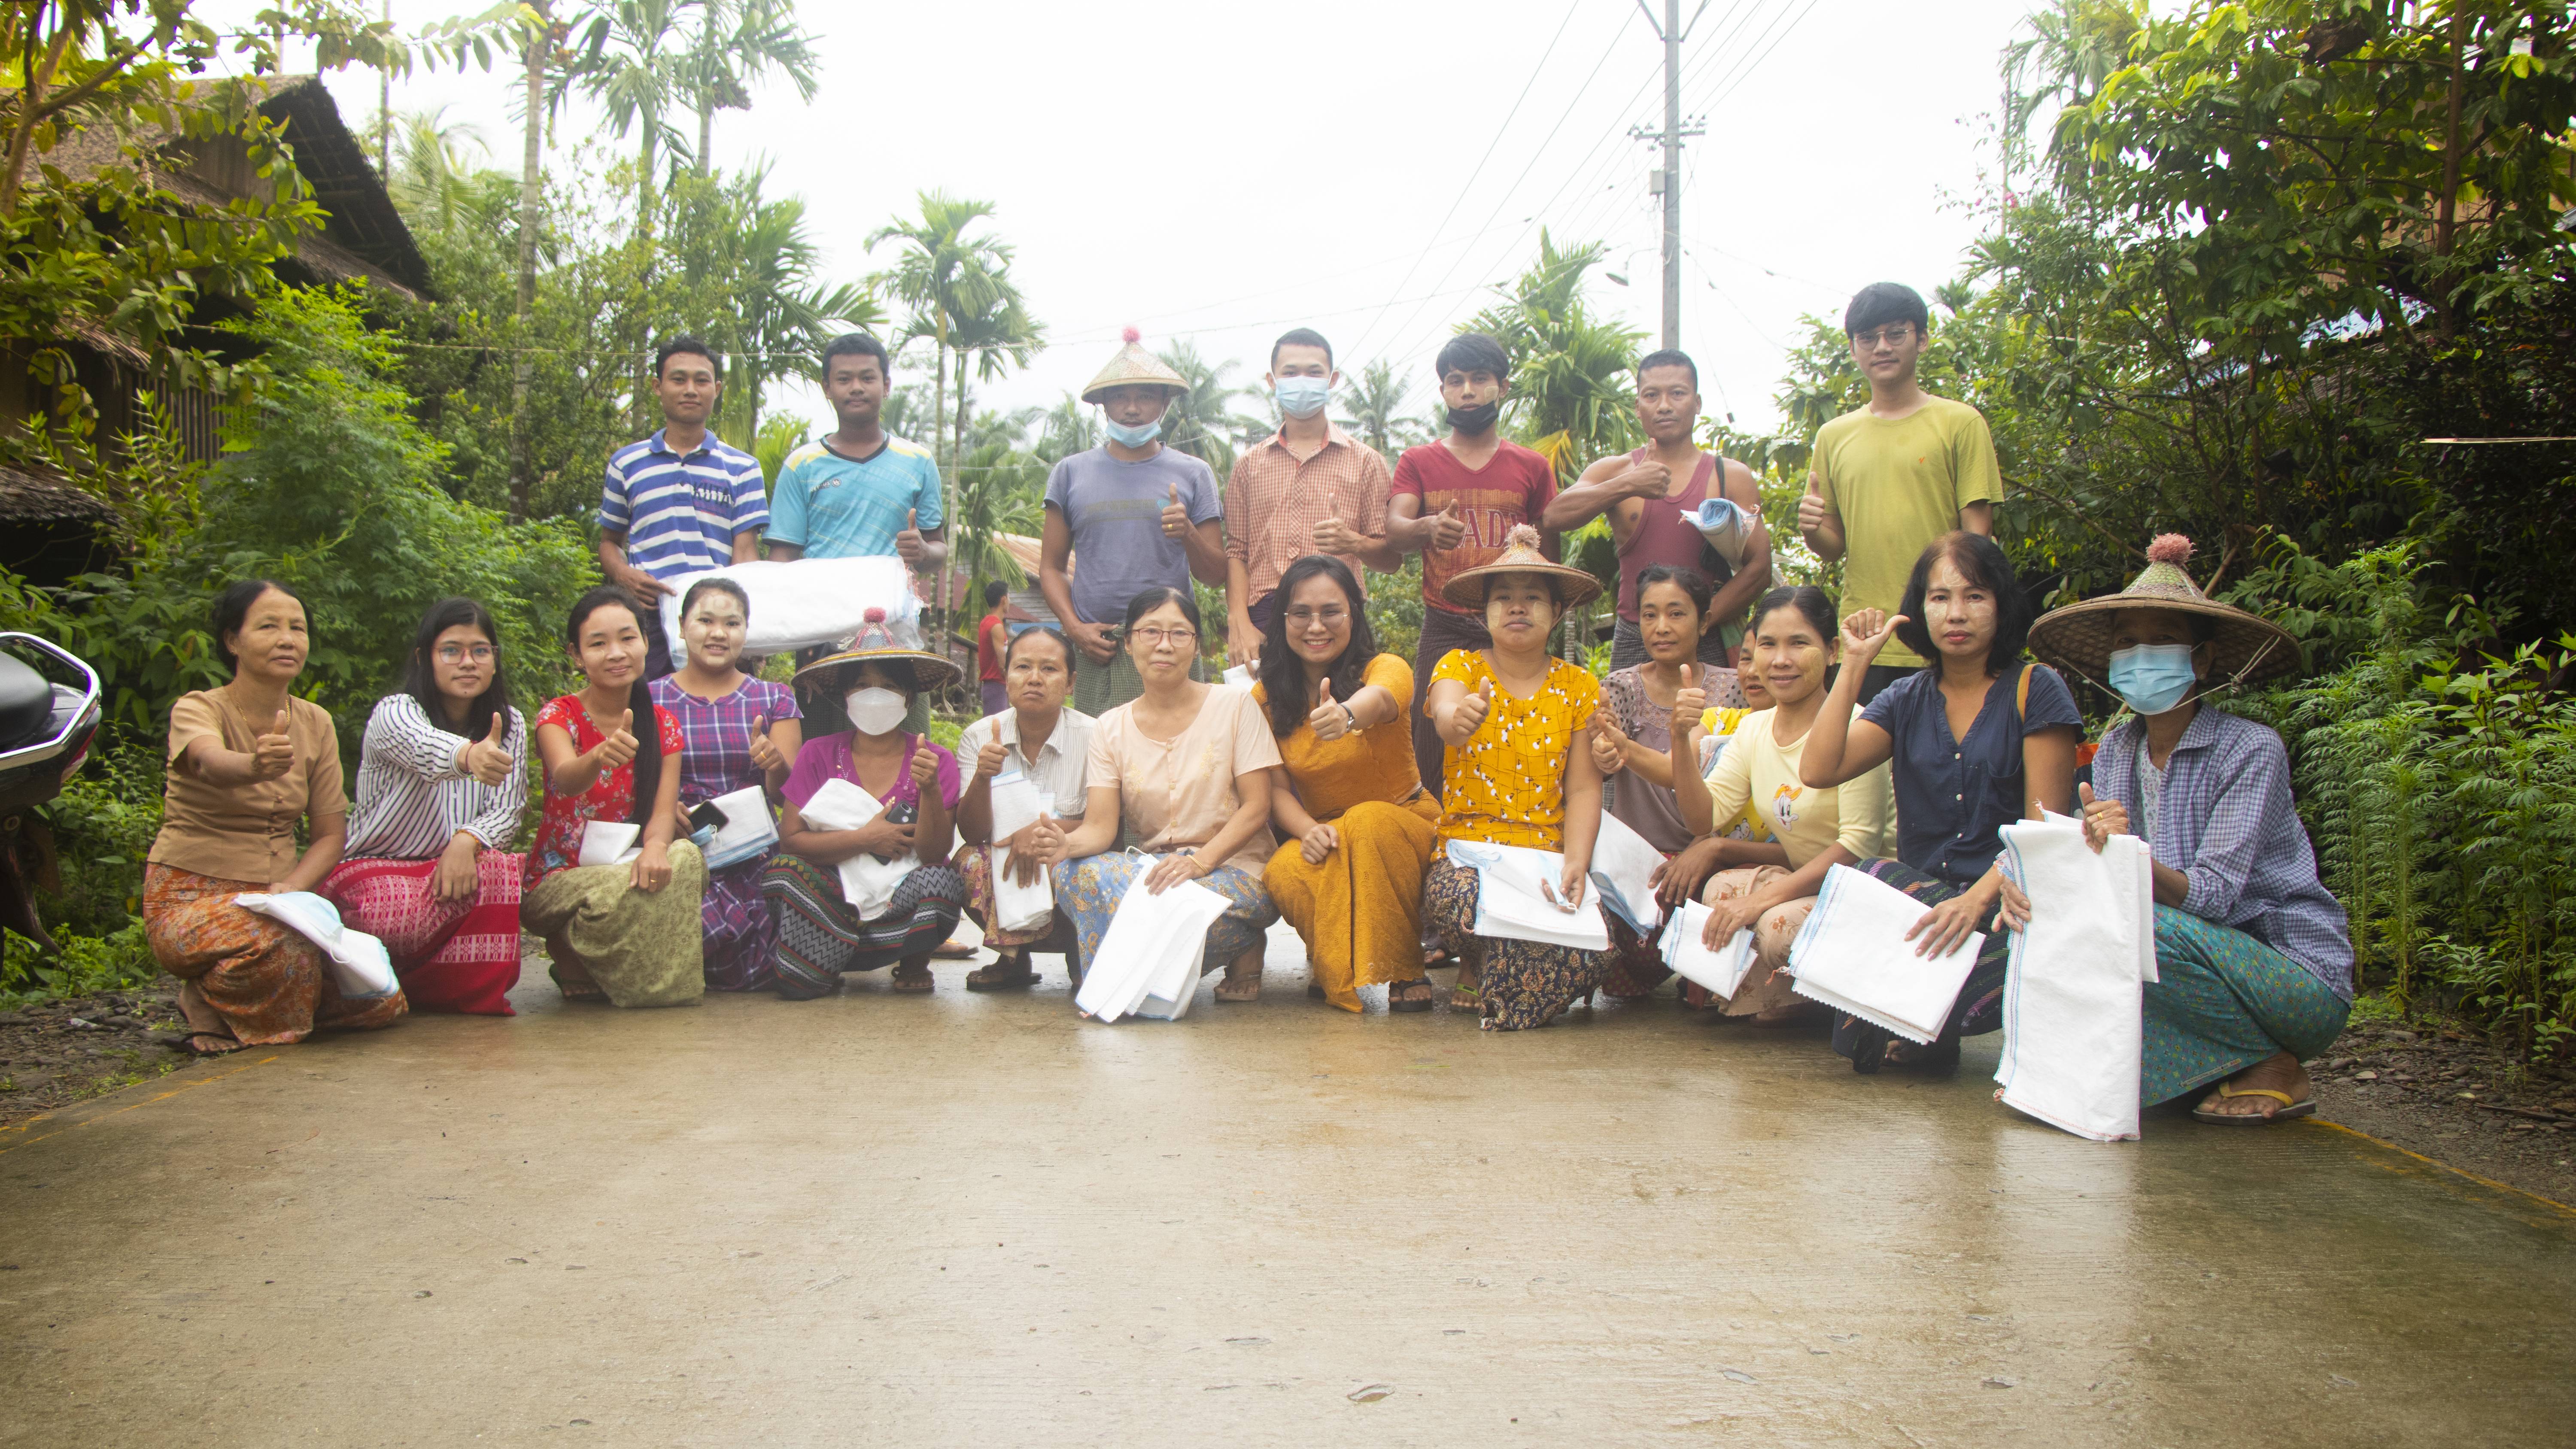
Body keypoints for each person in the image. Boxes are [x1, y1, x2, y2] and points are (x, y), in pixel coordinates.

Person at [2028, 534, 2352, 1125]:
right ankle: (2219, 1067)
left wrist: (2125, 857)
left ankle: (2271, 1060)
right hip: (2192, 965)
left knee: (2138, 924)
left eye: (2162, 641)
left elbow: (2215, 899)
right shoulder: (2115, 750)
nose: (2141, 655)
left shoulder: (2252, 749)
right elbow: (2087, 874)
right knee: (2065, 921)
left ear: (2200, 661)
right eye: (2128, 642)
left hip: (2292, 975)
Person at [1801, 531, 2081, 1072]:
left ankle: (1927, 1018)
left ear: (2001, 605)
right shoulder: (1906, 697)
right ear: (1919, 608)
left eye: (1975, 596)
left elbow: (2043, 831)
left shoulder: (2035, 688)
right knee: (1863, 876)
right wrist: (1855, 664)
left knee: (1892, 894)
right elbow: (1819, 769)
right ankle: (1919, 1022)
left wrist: (1975, 901)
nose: (1956, 613)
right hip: (1922, 908)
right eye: (1939, 597)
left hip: (2005, 908)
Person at [143, 580, 407, 1053]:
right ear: (232, 640)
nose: (288, 639)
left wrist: (289, 890)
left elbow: (329, 835)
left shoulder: (316, 722)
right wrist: (253, 766)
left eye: (298, 628)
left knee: (380, 999)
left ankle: (237, 1000)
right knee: (288, 953)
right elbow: (205, 759)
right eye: (269, 626)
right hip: (189, 899)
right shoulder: (199, 708)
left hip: (279, 902)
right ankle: (205, 998)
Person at [1025, 588, 1281, 1003]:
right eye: (1151, 632)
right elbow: (1100, 827)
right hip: (1157, 878)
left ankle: (1119, 986)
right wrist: (1064, 844)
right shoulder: (1110, 727)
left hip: (1234, 873)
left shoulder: (1235, 705)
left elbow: (1258, 806)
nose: (1165, 644)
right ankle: (1150, 974)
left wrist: (1200, 862)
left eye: (1180, 633)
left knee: (1172, 921)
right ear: (1129, 643)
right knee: (1075, 873)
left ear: (1196, 644)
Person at [1671, 586, 1893, 1025]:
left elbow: (1857, 848)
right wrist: (1679, 736)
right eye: (1767, 646)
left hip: (1866, 891)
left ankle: (1829, 1005)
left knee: (1774, 926)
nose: (1780, 660)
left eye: (1799, 643)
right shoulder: (1756, 728)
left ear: (1832, 651)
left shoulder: (1857, 725)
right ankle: (1788, 995)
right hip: (1807, 882)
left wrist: (1759, 903)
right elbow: (1704, 817)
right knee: (1719, 892)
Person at [1419, 526, 1611, 1030]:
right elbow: (1445, 707)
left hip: (1544, 856)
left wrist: (1576, 862)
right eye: (1503, 598)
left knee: (1600, 940)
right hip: (1470, 852)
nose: (1517, 608)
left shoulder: (1579, 686)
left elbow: (1585, 787)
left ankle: (1496, 974)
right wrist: (1455, 719)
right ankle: (1482, 965)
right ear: (1485, 612)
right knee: (1462, 905)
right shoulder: (1460, 664)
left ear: (1557, 611)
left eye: (1531, 598)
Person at [1796, 283, 2006, 703]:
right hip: (1865, 635)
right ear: (1854, 349)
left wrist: (1970, 618)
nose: (1882, 347)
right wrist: (1811, 529)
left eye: (1896, 333)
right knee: (1861, 768)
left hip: (1946, 632)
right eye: (1868, 338)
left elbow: (1977, 538)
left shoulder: (1961, 423)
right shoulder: (1834, 436)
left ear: (1922, 339)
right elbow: (1831, 548)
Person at [321, 597, 529, 1016]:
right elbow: (423, 747)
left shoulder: (510, 723)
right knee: (393, 908)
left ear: (494, 660)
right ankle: (376, 982)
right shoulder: (394, 712)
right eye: (451, 650)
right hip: (374, 868)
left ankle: (449, 994)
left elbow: (507, 811)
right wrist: (471, 757)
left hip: (455, 867)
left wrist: (466, 840)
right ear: (425, 658)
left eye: (481, 650)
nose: (467, 662)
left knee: (502, 871)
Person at [1255, 555, 1440, 1012]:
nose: (1316, 626)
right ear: (1284, 620)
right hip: (1332, 835)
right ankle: (1332, 960)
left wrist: (1346, 715)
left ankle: (1404, 966)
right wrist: (1307, 830)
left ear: (1353, 615)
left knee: (1369, 819)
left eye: (1331, 611)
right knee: (1283, 868)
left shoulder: (1385, 666)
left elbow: (1380, 699)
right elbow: (1276, 789)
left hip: (1406, 823)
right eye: (1301, 613)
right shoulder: (1266, 698)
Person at [1384, 332, 1562, 799]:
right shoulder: (1419, 461)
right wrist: (1426, 528)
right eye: (1455, 380)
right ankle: (1436, 843)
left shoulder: (1532, 466)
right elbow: (1395, 527)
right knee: (1432, 741)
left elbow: (1551, 552)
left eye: (1479, 380)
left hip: (1515, 625)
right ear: (1443, 390)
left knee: (1522, 735)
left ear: (1502, 387)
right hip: (1444, 625)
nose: (1467, 391)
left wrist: (1549, 617)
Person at [521, 586, 706, 1008]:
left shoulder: (664, 724)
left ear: (645, 641)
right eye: (598, 644)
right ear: (576, 655)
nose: (616, 653)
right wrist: (598, 757)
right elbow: (566, 779)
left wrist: (657, 848)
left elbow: (663, 810)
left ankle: (614, 969)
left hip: (628, 868)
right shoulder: (558, 715)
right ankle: (571, 945)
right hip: (558, 882)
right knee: (616, 891)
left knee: (687, 859)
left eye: (627, 638)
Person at [762, 614, 966, 997]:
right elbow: (791, 841)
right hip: (832, 901)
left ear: (907, 697)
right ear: (845, 697)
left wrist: (931, 791)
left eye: (888, 686)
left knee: (943, 882)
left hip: (901, 904)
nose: (875, 694)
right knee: (783, 871)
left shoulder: (936, 759)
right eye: (862, 686)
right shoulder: (817, 753)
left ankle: (913, 959)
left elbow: (936, 853)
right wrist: (866, 839)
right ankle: (830, 950)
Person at [1544, 349, 1771, 673]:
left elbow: (1760, 566)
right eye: (1652, 395)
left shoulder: (1730, 476)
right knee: (1626, 725)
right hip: (1635, 636)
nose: (1665, 405)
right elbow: (1555, 517)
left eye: (1677, 393)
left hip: (1709, 635)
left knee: (1713, 725)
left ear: (1697, 403)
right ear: (1638, 406)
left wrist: (1702, 620)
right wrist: (1628, 485)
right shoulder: (1616, 470)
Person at [1039, 329, 1226, 717]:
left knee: (1178, 756)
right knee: (1102, 759)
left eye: (1145, 396)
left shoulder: (1194, 473)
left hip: (1169, 643)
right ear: (1104, 404)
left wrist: (1187, 531)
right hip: (1099, 646)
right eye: (1121, 396)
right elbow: (1051, 567)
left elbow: (1214, 574)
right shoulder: (1070, 473)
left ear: (1164, 402)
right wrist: (1075, 629)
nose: (1132, 408)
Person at [1582, 564, 1748, 997]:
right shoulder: (1621, 685)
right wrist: (1602, 753)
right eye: (1650, 614)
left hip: (1705, 857)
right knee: (1622, 983)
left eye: (1677, 614)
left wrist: (1702, 850)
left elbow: (1739, 784)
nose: (1661, 627)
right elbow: (1600, 757)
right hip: (1634, 861)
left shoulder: (1732, 691)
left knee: (1706, 992)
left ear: (1705, 621)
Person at [649, 578, 801, 992]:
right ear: (682, 627)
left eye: (732, 623)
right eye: (705, 620)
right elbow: (635, 786)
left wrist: (773, 764)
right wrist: (661, 813)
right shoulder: (648, 700)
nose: (719, 633)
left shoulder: (774, 699)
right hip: (680, 845)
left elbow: (787, 796)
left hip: (754, 852)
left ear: (745, 631)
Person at [1221, 328, 1398, 668]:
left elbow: (1390, 560)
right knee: (1264, 719)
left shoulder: (1366, 461)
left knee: (1339, 715)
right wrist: (1240, 623)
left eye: (1314, 372)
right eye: (1290, 372)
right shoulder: (1249, 465)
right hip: (1265, 615)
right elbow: (1237, 553)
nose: (1302, 381)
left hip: (1338, 616)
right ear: (1272, 381)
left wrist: (1354, 542)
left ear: (1332, 379)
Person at [598, 336, 769, 678]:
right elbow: (609, 543)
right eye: (679, 379)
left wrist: (750, 628)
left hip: (717, 618)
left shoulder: (742, 467)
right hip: (649, 618)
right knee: (652, 718)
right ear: (658, 387)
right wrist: (623, 574)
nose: (691, 389)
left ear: (716, 389)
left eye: (701, 380)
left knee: (721, 719)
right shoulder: (626, 462)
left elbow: (746, 554)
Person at [953, 625, 1092, 991]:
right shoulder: (979, 737)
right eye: (1023, 668)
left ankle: (1080, 954)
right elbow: (971, 832)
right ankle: (1013, 958)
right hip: (1003, 861)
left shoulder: (1096, 737)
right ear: (1006, 677)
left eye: (1049, 669)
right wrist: (983, 778)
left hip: (1068, 854)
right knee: (969, 862)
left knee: (1090, 867)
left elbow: (1109, 823)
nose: (1034, 679)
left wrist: (1041, 833)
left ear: (1071, 682)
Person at [766, 331, 945, 575]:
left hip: (893, 611)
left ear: (886, 386)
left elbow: (938, 548)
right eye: (844, 379)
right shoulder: (801, 465)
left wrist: (923, 551)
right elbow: (782, 557)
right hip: (821, 609)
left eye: (868, 378)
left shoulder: (919, 461)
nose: (857, 388)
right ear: (827, 388)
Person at [975, 579, 1012, 717]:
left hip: (991, 687)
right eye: (1009, 597)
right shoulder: (996, 626)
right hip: (997, 686)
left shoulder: (986, 622)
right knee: (998, 732)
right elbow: (1002, 662)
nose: (1010, 601)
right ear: (1003, 599)